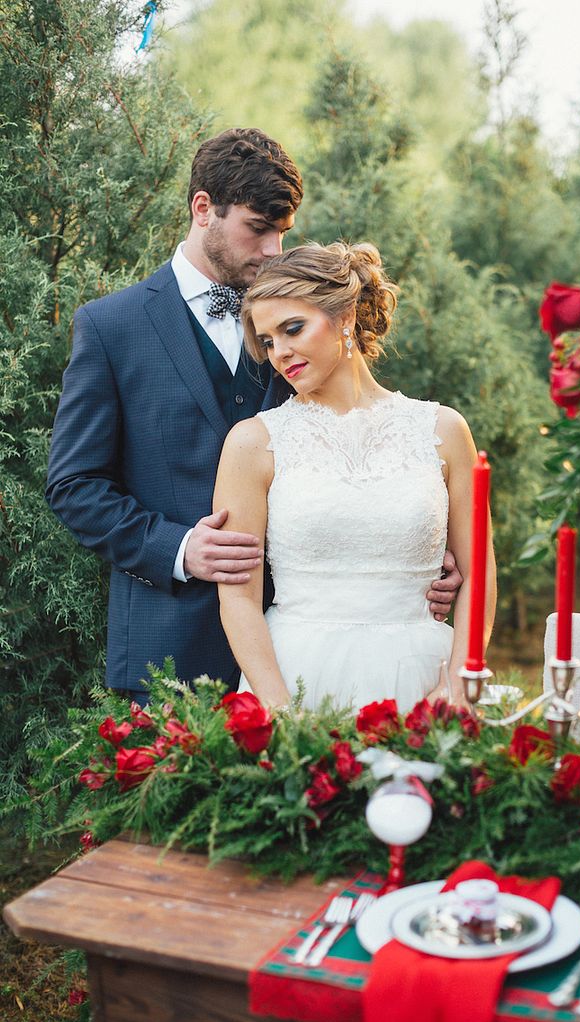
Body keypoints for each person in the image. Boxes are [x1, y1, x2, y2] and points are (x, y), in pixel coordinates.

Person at [46, 128, 459, 700]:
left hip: (306, 649)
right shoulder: (112, 328)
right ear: (203, 209)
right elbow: (74, 485)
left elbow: (359, 442)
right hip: (167, 650)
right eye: (258, 229)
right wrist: (180, 548)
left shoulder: (299, 315)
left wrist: (416, 556)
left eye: (282, 233)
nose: (272, 251)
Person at [214, 241, 496, 711]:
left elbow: (479, 573)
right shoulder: (252, 443)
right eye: (268, 341)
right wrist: (280, 711)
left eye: (293, 328)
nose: (280, 353)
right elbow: (239, 599)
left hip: (425, 678)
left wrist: (459, 685)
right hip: (296, 677)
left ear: (344, 315)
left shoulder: (444, 431)